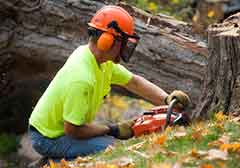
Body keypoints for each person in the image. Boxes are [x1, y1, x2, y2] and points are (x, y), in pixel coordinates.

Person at [28, 5, 191, 166]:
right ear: (108, 41)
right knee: (114, 150)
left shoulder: (101, 61)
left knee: (109, 144)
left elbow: (134, 82)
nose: (127, 48)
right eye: (124, 42)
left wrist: (167, 99)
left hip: (63, 130)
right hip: (48, 137)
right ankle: (51, 163)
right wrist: (112, 129)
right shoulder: (81, 78)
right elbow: (73, 130)